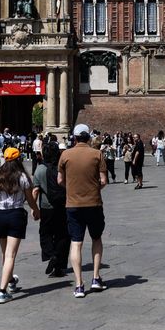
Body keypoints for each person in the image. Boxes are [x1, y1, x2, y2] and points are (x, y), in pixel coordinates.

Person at [0, 147, 39, 304]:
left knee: (5, 254)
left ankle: (11, 282)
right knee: (10, 255)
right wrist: (36, 210)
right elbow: (30, 199)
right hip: (16, 215)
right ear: (18, 159)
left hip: (1, 216)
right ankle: (2, 291)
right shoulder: (22, 177)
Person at [58, 124, 108, 299]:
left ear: (74, 137)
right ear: (88, 137)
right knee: (96, 238)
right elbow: (103, 180)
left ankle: (79, 285)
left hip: (73, 204)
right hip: (94, 203)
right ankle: (95, 278)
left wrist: (71, 189)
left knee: (76, 242)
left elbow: (60, 180)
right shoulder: (97, 154)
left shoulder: (65, 155)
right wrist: (93, 189)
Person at [32, 144, 69, 278]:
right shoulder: (63, 167)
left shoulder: (40, 169)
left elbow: (36, 191)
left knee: (45, 233)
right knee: (62, 235)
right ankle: (59, 267)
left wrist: (34, 208)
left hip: (46, 207)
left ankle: (51, 254)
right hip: (63, 205)